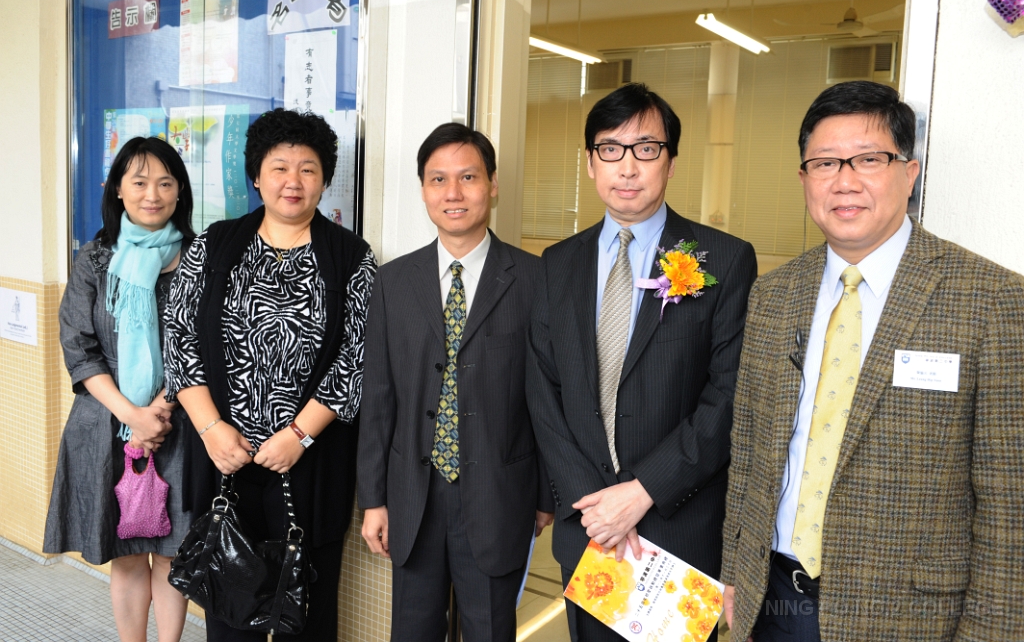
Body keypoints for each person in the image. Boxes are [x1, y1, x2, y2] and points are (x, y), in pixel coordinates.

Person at [720, 80, 1024, 641]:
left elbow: (1011, 507)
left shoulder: (992, 301)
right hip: (772, 600)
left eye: (868, 159)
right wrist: (734, 573)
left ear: (910, 173)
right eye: (825, 163)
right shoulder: (774, 294)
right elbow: (750, 453)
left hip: (910, 618)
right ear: (804, 179)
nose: (845, 181)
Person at [527, 83, 758, 641]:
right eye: (610, 149)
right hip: (590, 531)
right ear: (590, 162)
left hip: (678, 529)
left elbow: (729, 397)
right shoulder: (557, 263)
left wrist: (641, 492)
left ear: (671, 162)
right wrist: (596, 507)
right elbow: (543, 392)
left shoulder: (725, 259)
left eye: (646, 149)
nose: (627, 167)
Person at [163, 108, 376, 641]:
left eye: (307, 168)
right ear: (256, 176)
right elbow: (179, 337)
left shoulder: (351, 257)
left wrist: (298, 435)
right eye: (279, 167)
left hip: (310, 463)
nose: (292, 181)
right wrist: (212, 429)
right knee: (228, 608)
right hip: (223, 459)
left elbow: (357, 358)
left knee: (309, 614)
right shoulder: (215, 244)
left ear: (324, 179)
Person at [358, 123, 555, 642]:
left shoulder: (536, 279)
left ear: (493, 184)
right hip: (413, 497)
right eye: (438, 179)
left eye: (468, 177)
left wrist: (545, 496)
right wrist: (373, 500)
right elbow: (378, 398)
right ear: (424, 189)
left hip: (498, 496)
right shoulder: (393, 281)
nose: (453, 193)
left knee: (489, 631)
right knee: (412, 632)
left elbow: (547, 398)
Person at [45, 136, 197, 642]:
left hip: (181, 421)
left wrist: (160, 408)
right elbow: (79, 347)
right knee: (127, 555)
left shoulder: (199, 258)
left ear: (180, 191)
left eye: (165, 183)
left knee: (174, 554)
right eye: (139, 182)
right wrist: (133, 415)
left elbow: (203, 343)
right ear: (117, 190)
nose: (152, 194)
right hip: (107, 422)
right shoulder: (94, 259)